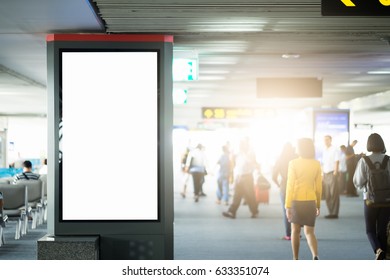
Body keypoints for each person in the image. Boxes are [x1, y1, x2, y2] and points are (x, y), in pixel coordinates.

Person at [353, 133, 390, 260]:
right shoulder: (388, 159)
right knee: (383, 230)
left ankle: (378, 250)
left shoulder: (364, 160)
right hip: (387, 200)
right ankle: (384, 258)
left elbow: (358, 182)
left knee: (370, 230)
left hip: (370, 199)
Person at [285, 138, 322, 260]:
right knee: (310, 232)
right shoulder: (316, 164)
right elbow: (318, 187)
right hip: (310, 201)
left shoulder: (293, 163)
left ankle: (296, 259)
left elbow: (290, 185)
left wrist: (287, 205)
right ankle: (315, 255)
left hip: (296, 201)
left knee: (295, 231)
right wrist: (318, 205)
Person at [223, 138, 258, 219]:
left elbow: (251, 162)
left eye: (242, 145)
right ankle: (232, 212)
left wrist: (244, 153)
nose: (241, 146)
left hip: (247, 177)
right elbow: (236, 165)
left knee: (250, 195)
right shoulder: (238, 154)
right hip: (239, 177)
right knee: (237, 195)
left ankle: (254, 211)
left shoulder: (250, 153)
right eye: (240, 145)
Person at [272, 142, 298, 240]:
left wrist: (279, 184)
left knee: (286, 210)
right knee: (296, 210)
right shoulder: (297, 158)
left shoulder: (280, 160)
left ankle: (288, 234)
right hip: (297, 187)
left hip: (285, 186)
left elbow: (273, 176)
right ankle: (296, 232)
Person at [322, 135, 340, 219]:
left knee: (334, 194)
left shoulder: (335, 149)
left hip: (332, 173)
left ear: (331, 140)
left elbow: (337, 161)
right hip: (325, 174)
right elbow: (323, 163)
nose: (326, 141)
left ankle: (334, 213)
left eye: (327, 140)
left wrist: (335, 172)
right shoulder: (324, 150)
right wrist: (322, 174)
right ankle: (330, 212)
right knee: (327, 194)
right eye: (324, 140)